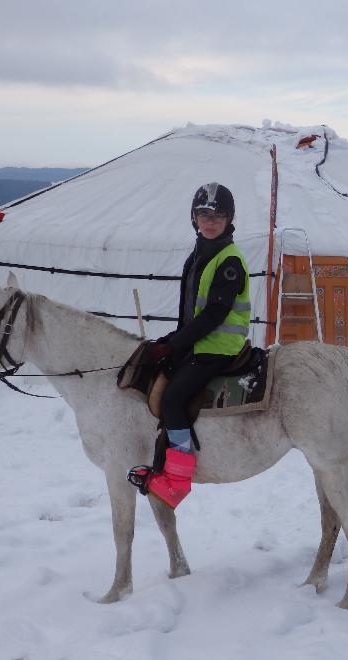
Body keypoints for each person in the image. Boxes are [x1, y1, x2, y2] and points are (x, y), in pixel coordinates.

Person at [133, 182, 251, 508]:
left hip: (219, 346)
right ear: (194, 218)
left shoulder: (229, 261)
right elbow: (191, 309)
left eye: (218, 215)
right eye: (204, 214)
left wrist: (178, 344)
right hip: (198, 341)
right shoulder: (200, 253)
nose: (210, 221)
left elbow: (214, 314)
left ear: (229, 219)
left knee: (173, 397)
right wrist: (174, 339)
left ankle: (177, 479)